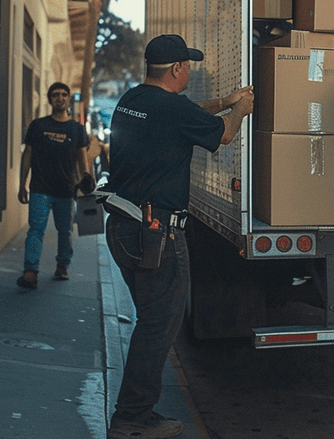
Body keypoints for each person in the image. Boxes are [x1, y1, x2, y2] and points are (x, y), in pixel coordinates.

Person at [104, 34, 254, 439]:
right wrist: (240, 110)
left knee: (150, 323)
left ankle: (134, 412)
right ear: (176, 69)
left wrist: (224, 100)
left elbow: (188, 115)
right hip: (156, 233)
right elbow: (222, 134)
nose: (191, 69)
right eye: (188, 63)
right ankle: (132, 417)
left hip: (123, 225)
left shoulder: (133, 100)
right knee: (158, 326)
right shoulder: (170, 110)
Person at [16, 82, 90, 289]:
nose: (60, 98)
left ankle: (62, 265)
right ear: (50, 100)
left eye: (64, 94)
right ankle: (30, 272)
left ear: (68, 99)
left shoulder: (76, 129)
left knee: (65, 231)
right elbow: (28, 154)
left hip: (66, 190)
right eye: (56, 94)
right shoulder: (38, 126)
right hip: (40, 189)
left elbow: (82, 158)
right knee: (36, 230)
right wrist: (22, 185)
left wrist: (86, 179)